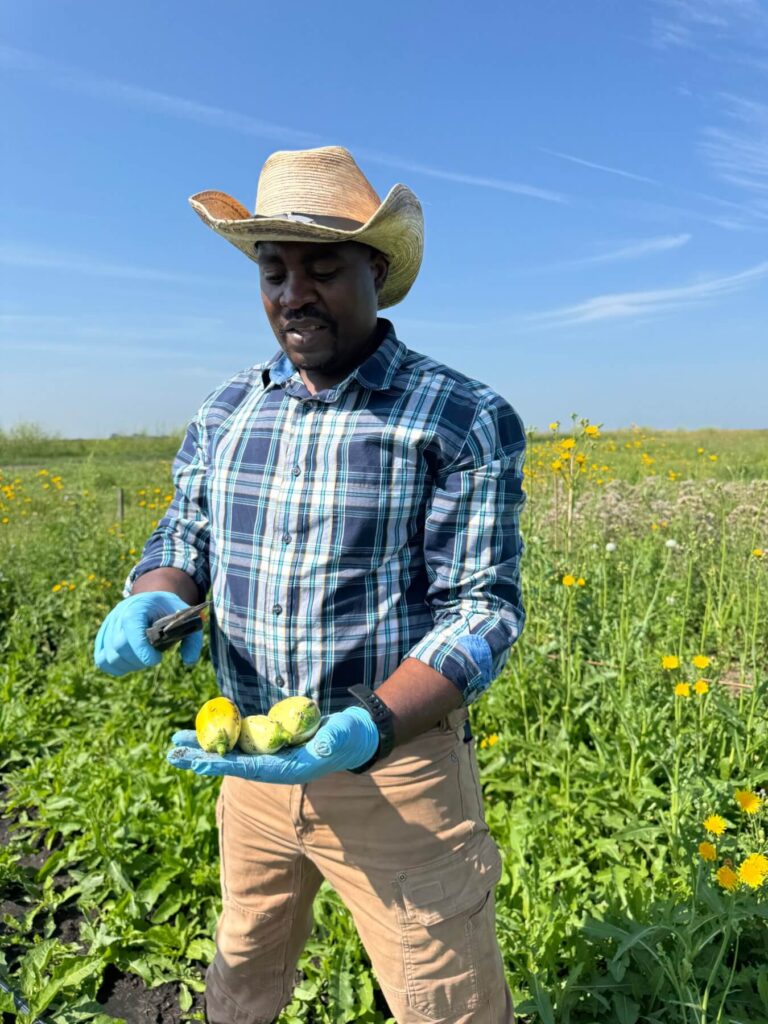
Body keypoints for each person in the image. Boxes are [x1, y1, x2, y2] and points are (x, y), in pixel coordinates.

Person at [94, 146, 526, 1024]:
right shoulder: (227, 409)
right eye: (273, 269)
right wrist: (157, 594)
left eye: (323, 266)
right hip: (250, 767)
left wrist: (365, 725)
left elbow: (482, 606)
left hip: (398, 779)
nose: (294, 294)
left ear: (376, 267)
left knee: (446, 1000)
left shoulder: (460, 417)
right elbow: (187, 534)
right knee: (244, 960)